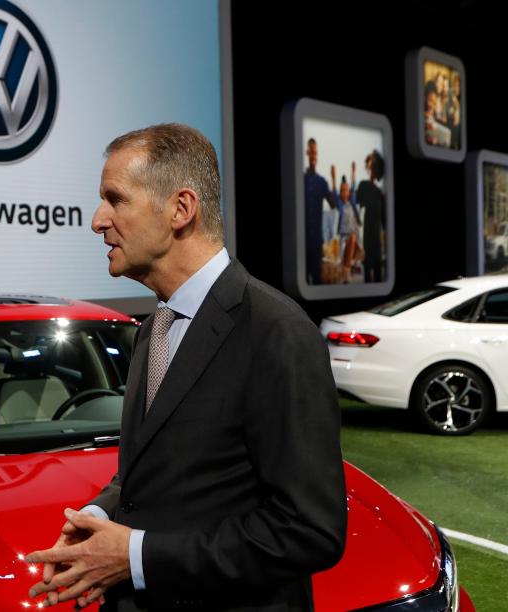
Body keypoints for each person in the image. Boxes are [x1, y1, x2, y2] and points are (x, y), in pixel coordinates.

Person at [26, 124, 346, 611]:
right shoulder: (154, 326)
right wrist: (98, 514)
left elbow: (308, 530)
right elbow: (154, 468)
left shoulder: (277, 332)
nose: (97, 220)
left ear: (180, 209)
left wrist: (135, 555)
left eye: (116, 199)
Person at [304, 138, 333, 285]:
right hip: (302, 244)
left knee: (317, 281)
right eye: (312, 152)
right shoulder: (300, 180)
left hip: (316, 243)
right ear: (307, 153)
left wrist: (333, 180)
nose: (314, 156)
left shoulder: (322, 182)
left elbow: (333, 204)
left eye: (316, 153)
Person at [356, 151, 386, 282]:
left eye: (375, 164)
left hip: (377, 241)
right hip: (366, 238)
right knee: (367, 272)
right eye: (370, 163)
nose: (372, 167)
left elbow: (384, 222)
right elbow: (356, 209)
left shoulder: (380, 193)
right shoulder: (363, 186)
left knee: (378, 273)